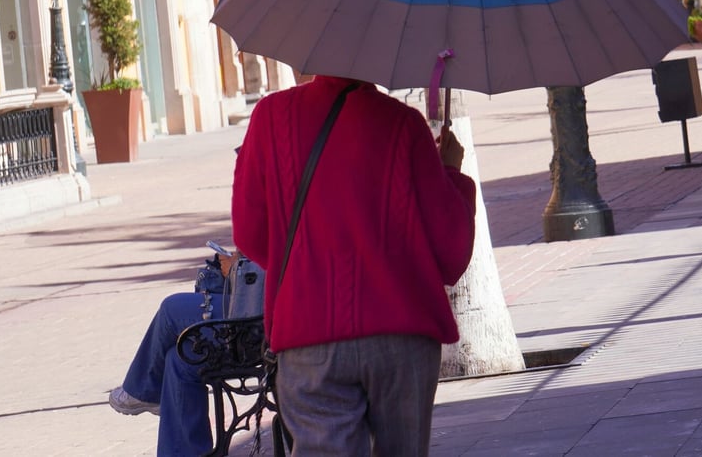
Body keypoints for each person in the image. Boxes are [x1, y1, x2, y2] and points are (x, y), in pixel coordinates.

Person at [232, 75, 476, 456]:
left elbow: (249, 233)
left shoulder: (270, 117)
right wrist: (450, 174)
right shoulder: (404, 125)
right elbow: (451, 253)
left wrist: (302, 268)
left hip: (308, 332)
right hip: (402, 334)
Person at [108, 252, 234, 455]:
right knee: (180, 358)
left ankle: (143, 389)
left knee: (171, 309)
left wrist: (236, 264)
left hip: (266, 312)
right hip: (261, 304)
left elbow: (260, 249)